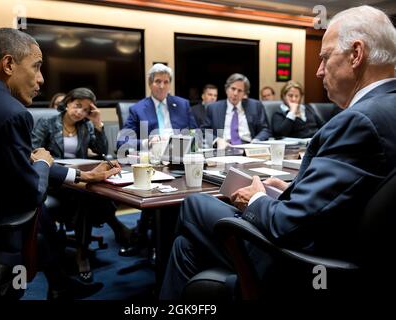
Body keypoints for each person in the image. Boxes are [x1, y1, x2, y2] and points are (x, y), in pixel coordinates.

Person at [160, 5, 396, 299]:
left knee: (194, 203)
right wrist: (292, 190)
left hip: (301, 261)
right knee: (185, 248)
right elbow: (351, 194)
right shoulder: (387, 108)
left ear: (356, 54)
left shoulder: (359, 120)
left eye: (324, 58)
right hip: (345, 247)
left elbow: (290, 225)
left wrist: (257, 198)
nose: (318, 70)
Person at [0, 28, 121, 300]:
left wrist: (81, 176)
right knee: (39, 215)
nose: (42, 79)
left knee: (44, 220)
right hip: (0, 223)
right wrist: (43, 163)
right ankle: (44, 285)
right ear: (8, 64)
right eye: (37, 67)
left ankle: (59, 283)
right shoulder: (13, 113)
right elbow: (33, 190)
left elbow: (22, 160)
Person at [32, 87, 132, 283]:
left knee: (86, 195)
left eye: (86, 109)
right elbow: (35, 151)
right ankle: (114, 228)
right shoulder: (48, 122)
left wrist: (97, 123)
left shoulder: (85, 126)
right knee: (88, 194)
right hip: (55, 179)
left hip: (79, 179)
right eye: (77, 106)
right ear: (68, 103)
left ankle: (82, 252)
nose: (80, 112)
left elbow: (102, 151)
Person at [116, 63, 197, 151]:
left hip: (180, 153)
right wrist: (146, 143)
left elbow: (195, 133)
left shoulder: (183, 105)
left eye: (166, 82)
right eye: (158, 81)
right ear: (150, 84)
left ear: (170, 85)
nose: (162, 86)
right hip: (153, 156)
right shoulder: (137, 110)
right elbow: (122, 141)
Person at [201, 73, 271, 148]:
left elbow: (265, 129)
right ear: (226, 89)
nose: (235, 93)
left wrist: (256, 141)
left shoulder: (255, 106)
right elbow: (203, 131)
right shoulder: (213, 108)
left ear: (244, 93)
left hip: (248, 147)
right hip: (224, 148)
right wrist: (217, 140)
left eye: (240, 91)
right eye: (233, 89)